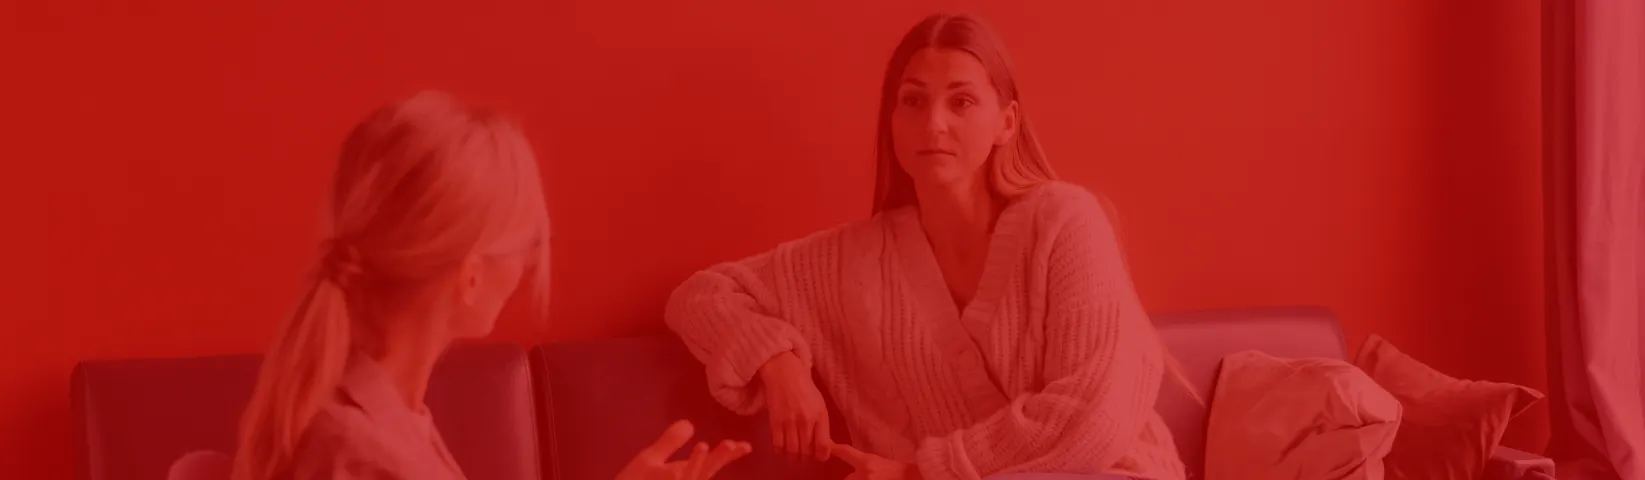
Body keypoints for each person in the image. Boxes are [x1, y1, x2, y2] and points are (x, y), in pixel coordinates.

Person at [663, 13, 1191, 480]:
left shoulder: (1065, 221)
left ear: (1006, 122)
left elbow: (1093, 417)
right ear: (892, 122)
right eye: (913, 101)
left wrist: (920, 472)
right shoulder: (850, 261)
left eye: (962, 102)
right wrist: (778, 362)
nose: (933, 124)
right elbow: (702, 296)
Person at [232, 91, 751, 480]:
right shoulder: (362, 454)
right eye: (525, 245)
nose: (526, 268)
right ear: (471, 277)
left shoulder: (385, 416)